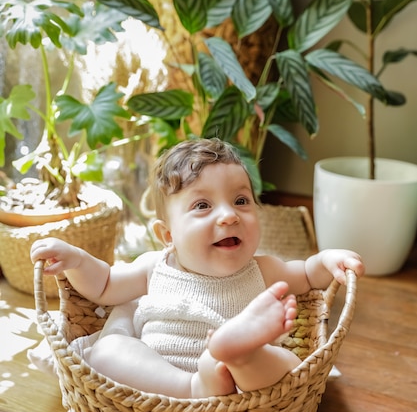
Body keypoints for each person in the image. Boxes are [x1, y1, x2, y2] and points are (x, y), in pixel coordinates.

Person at [30, 138, 365, 398]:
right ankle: (194, 386)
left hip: (237, 384)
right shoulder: (153, 268)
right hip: (163, 378)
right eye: (203, 205)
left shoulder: (262, 270)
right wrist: (76, 259)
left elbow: (307, 275)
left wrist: (326, 261)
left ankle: (239, 351)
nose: (230, 215)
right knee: (107, 351)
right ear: (168, 235)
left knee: (292, 368)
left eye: (241, 200)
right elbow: (102, 285)